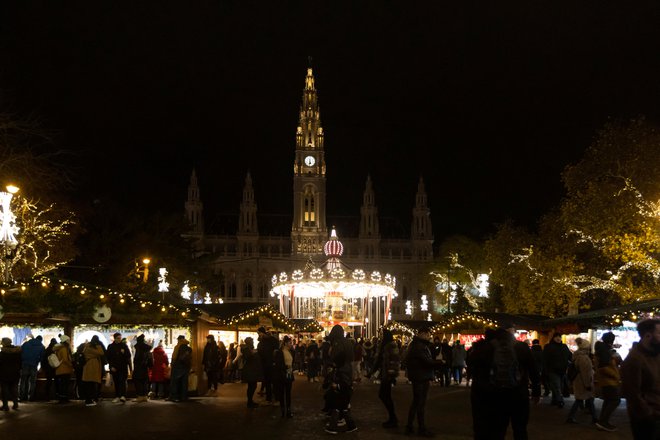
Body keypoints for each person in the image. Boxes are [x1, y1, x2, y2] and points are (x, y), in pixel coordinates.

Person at [470, 323, 541, 440]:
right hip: (519, 394)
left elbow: (471, 363)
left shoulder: (485, 347)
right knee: (520, 428)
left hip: (495, 395)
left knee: (499, 429)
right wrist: (536, 391)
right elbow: (533, 369)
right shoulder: (521, 347)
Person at [621, 318, 660, 439]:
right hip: (649, 420)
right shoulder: (634, 360)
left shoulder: (656, 354)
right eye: (659, 333)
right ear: (648, 336)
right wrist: (649, 415)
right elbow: (633, 394)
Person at [404, 326, 441, 437]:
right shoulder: (418, 346)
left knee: (416, 402)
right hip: (420, 377)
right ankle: (421, 428)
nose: (429, 336)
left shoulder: (416, 344)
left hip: (419, 376)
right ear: (422, 334)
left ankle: (410, 427)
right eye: (428, 334)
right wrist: (440, 362)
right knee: (420, 403)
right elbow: (427, 361)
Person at [324, 324, 357, 434]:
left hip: (340, 373)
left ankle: (336, 422)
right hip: (348, 372)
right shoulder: (348, 342)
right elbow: (352, 360)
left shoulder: (337, 343)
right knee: (344, 397)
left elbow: (335, 359)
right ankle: (343, 419)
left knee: (336, 397)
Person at [371, 328, 400, 429]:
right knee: (384, 395)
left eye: (382, 335)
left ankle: (393, 418)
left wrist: (391, 374)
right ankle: (392, 418)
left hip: (388, 375)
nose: (381, 337)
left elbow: (394, 361)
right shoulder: (384, 345)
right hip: (385, 374)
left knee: (384, 395)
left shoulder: (391, 346)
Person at [593, 331, 621, 432]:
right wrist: (615, 376)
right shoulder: (604, 350)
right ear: (611, 340)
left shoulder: (602, 349)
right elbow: (603, 367)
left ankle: (603, 421)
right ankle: (603, 422)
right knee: (615, 400)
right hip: (609, 381)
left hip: (605, 381)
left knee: (609, 400)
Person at [566, 337, 597, 424]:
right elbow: (585, 373)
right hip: (583, 382)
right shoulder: (584, 358)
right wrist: (588, 384)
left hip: (578, 381)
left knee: (585, 399)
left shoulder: (577, 355)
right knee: (584, 399)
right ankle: (594, 418)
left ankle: (594, 418)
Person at [542, 332, 571, 408]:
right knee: (557, 386)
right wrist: (546, 369)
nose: (558, 338)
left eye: (559, 337)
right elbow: (545, 359)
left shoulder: (564, 346)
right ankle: (560, 401)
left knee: (558, 386)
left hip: (562, 370)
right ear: (553, 338)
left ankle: (554, 400)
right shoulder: (548, 347)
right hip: (552, 370)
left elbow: (569, 356)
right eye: (556, 337)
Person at [235, 336, 263, 408]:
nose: (253, 342)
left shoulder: (248, 348)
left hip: (251, 370)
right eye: (252, 341)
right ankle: (249, 402)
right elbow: (248, 357)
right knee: (252, 386)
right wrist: (254, 353)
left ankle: (250, 401)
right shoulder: (246, 349)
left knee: (252, 386)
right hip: (250, 370)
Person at [106, 332, 132, 403]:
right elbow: (108, 358)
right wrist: (111, 366)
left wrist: (124, 352)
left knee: (122, 381)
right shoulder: (110, 346)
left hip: (123, 367)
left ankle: (122, 396)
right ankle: (117, 396)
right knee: (116, 382)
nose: (119, 340)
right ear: (114, 338)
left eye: (120, 338)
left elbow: (129, 356)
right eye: (118, 338)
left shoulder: (124, 346)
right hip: (114, 368)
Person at [273, 335, 295, 418]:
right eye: (289, 343)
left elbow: (292, 362)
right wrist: (285, 367)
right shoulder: (280, 352)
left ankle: (288, 410)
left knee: (288, 393)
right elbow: (278, 364)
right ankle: (283, 410)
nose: (291, 344)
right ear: (285, 343)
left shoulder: (291, 352)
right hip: (282, 375)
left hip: (289, 374)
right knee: (282, 393)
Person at [81, 335, 105, 406]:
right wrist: (98, 345)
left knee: (89, 384)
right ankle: (89, 401)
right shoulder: (91, 347)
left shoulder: (87, 346)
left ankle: (89, 400)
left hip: (88, 367)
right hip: (91, 367)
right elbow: (101, 353)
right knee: (90, 384)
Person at [256, 327, 278, 404]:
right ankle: (269, 399)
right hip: (265, 364)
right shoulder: (262, 341)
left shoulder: (272, 340)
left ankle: (275, 399)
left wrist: (274, 361)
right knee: (267, 382)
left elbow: (276, 351)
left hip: (271, 364)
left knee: (273, 382)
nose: (259, 335)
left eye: (259, 333)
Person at [19, 334, 44, 402]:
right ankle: (31, 397)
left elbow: (20, 353)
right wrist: (38, 363)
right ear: (41, 340)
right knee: (32, 382)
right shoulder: (41, 346)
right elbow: (42, 358)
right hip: (34, 365)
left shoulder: (26, 344)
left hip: (25, 364)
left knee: (23, 381)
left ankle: (22, 397)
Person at [0, 337, 21, 411]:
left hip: (4, 374)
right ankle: (15, 404)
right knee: (14, 389)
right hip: (15, 374)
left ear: (4, 343)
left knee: (4, 391)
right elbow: (20, 363)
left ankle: (5, 406)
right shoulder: (17, 352)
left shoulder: (2, 353)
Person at [169, 334, 192, 402]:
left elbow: (174, 357)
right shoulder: (189, 348)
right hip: (186, 367)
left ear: (179, 340)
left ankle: (174, 397)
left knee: (175, 382)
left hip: (177, 367)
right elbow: (190, 358)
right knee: (184, 382)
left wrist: (172, 364)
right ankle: (184, 396)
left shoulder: (177, 347)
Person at [132, 334, 153, 403]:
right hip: (145, 369)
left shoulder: (139, 349)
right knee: (144, 382)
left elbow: (137, 360)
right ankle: (144, 397)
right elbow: (150, 360)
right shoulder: (147, 349)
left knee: (138, 381)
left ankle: (140, 396)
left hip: (138, 368)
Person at [54, 334, 73, 403]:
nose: (69, 341)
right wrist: (70, 365)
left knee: (62, 385)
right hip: (65, 369)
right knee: (65, 385)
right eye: (68, 340)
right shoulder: (64, 349)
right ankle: (64, 399)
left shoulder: (59, 348)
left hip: (59, 369)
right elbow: (65, 359)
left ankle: (61, 398)